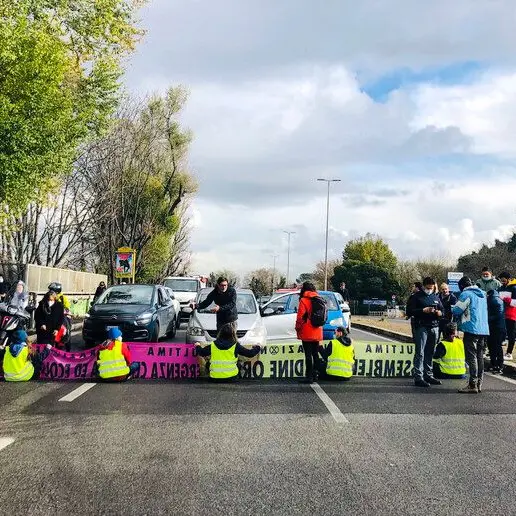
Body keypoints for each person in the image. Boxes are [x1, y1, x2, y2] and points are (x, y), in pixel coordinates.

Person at [452, 276, 489, 393]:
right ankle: (479, 383)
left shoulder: (466, 293)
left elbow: (457, 310)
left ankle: (472, 384)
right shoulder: (483, 294)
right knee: (480, 356)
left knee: (471, 356)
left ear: (462, 286)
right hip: (483, 329)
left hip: (471, 329)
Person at [405, 277, 444, 388]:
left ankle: (428, 375)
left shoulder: (435, 297)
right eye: (428, 288)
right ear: (423, 286)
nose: (429, 290)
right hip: (421, 326)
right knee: (420, 352)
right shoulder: (416, 297)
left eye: (431, 288)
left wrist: (440, 312)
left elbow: (443, 310)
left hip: (434, 326)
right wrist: (422, 310)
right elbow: (409, 311)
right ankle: (419, 377)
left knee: (430, 352)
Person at [194, 323, 260, 381]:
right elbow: (250, 354)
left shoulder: (213, 345)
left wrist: (197, 346)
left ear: (220, 333)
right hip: (232, 378)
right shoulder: (235, 345)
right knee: (238, 362)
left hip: (214, 378)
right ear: (233, 334)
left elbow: (201, 352)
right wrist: (257, 347)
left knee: (209, 363)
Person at [295, 281, 324, 384]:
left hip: (307, 330)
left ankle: (309, 376)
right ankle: (316, 374)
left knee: (308, 354)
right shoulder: (319, 299)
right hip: (317, 329)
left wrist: (297, 328)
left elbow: (300, 317)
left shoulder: (303, 300)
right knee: (315, 353)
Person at [486, 289, 506, 374]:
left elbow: (498, 314)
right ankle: (494, 364)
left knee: (496, 346)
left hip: (497, 327)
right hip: (495, 326)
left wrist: (486, 319)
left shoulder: (495, 301)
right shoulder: (494, 299)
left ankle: (499, 365)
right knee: (492, 346)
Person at [498, 271, 516, 361]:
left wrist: (509, 300)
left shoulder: (514, 288)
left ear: (509, 279)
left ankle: (509, 353)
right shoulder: (500, 288)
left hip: (512, 314)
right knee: (501, 332)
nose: (503, 282)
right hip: (502, 313)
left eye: (504, 281)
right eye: (501, 281)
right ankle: (499, 351)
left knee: (511, 334)